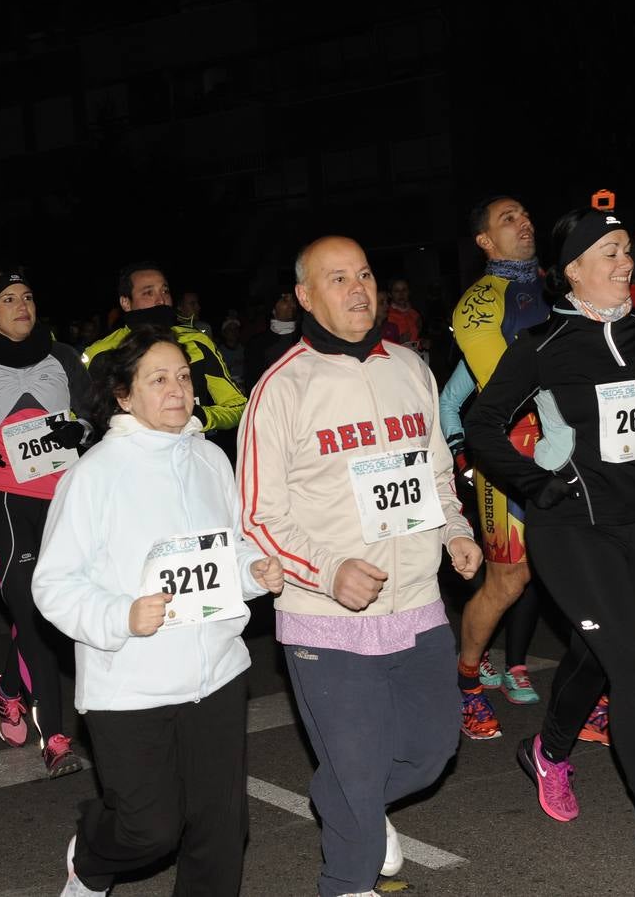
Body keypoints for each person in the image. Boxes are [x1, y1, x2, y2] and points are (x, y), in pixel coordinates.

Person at [465, 208, 635, 880]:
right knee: (633, 666)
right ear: (573, 269)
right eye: (609, 252)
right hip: (570, 529)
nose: (625, 263)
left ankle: (547, 753)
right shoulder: (544, 342)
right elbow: (483, 421)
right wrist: (532, 483)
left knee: (594, 652)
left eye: (627, 251)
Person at [239, 235, 481, 897]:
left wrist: (455, 531)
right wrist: (328, 571)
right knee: (357, 772)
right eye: (337, 278)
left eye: (366, 274)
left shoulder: (411, 368)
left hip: (418, 605)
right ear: (308, 297)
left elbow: (434, 471)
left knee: (432, 753)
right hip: (325, 620)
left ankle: (354, 801)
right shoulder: (280, 389)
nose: (357, 288)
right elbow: (258, 518)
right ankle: (346, 880)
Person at [33, 327, 282, 897]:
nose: (178, 390)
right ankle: (91, 856)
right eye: (159, 379)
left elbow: (230, 547)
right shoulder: (93, 475)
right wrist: (121, 615)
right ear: (124, 395)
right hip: (132, 686)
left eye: (184, 377)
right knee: (149, 829)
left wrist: (253, 571)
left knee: (223, 832)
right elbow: (52, 584)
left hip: (217, 673)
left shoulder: (211, 460)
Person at [0, 267, 92, 778]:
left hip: (60, 494)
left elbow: (91, 413)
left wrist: (78, 428)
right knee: (29, 598)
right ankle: (57, 738)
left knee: (42, 606)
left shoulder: (63, 356)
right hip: (0, 498)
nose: (22, 305)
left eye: (28, 296)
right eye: (9, 299)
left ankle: (7, 688)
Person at [450, 195, 550, 740]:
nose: (523, 221)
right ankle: (467, 682)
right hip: (511, 457)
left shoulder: (558, 284)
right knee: (507, 581)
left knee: (582, 568)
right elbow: (504, 383)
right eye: (507, 219)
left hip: (572, 450)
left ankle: (595, 691)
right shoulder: (478, 304)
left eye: (524, 213)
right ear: (486, 241)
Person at [83, 263, 246, 433]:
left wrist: (202, 417)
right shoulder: (99, 354)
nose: (161, 300)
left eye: (165, 291)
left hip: (189, 453)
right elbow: (82, 415)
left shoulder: (197, 341)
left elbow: (238, 405)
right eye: (148, 293)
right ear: (126, 302)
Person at [243, 292, 300, 391]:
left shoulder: (304, 338)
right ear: (273, 309)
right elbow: (252, 383)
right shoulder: (257, 344)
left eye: (293, 300)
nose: (292, 304)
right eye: (285, 300)